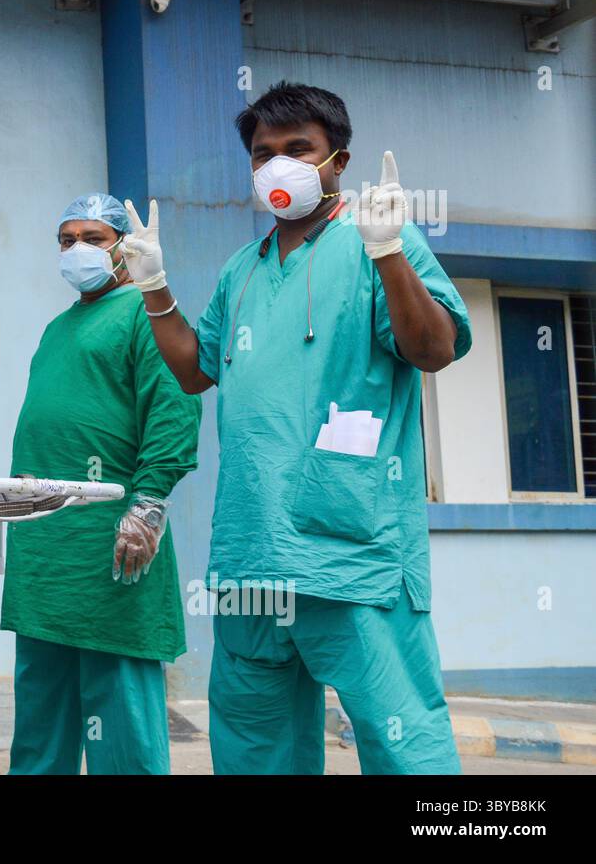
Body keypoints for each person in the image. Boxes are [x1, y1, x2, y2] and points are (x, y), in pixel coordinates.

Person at [119, 82, 472, 774]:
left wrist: (389, 253)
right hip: (255, 552)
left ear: (337, 160)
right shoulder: (241, 271)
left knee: (401, 739)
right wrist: (156, 288)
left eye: (296, 150)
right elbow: (196, 371)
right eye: (262, 154)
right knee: (255, 745)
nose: (276, 165)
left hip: (353, 548)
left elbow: (433, 349)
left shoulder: (379, 245)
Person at [2, 192, 201, 775]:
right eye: (66, 240)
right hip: (45, 542)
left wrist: (147, 508)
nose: (77, 250)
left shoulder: (147, 314)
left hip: (111, 537)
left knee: (120, 711)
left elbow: (173, 411)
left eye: (93, 238)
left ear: (124, 247)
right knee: (41, 713)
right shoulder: (57, 329)